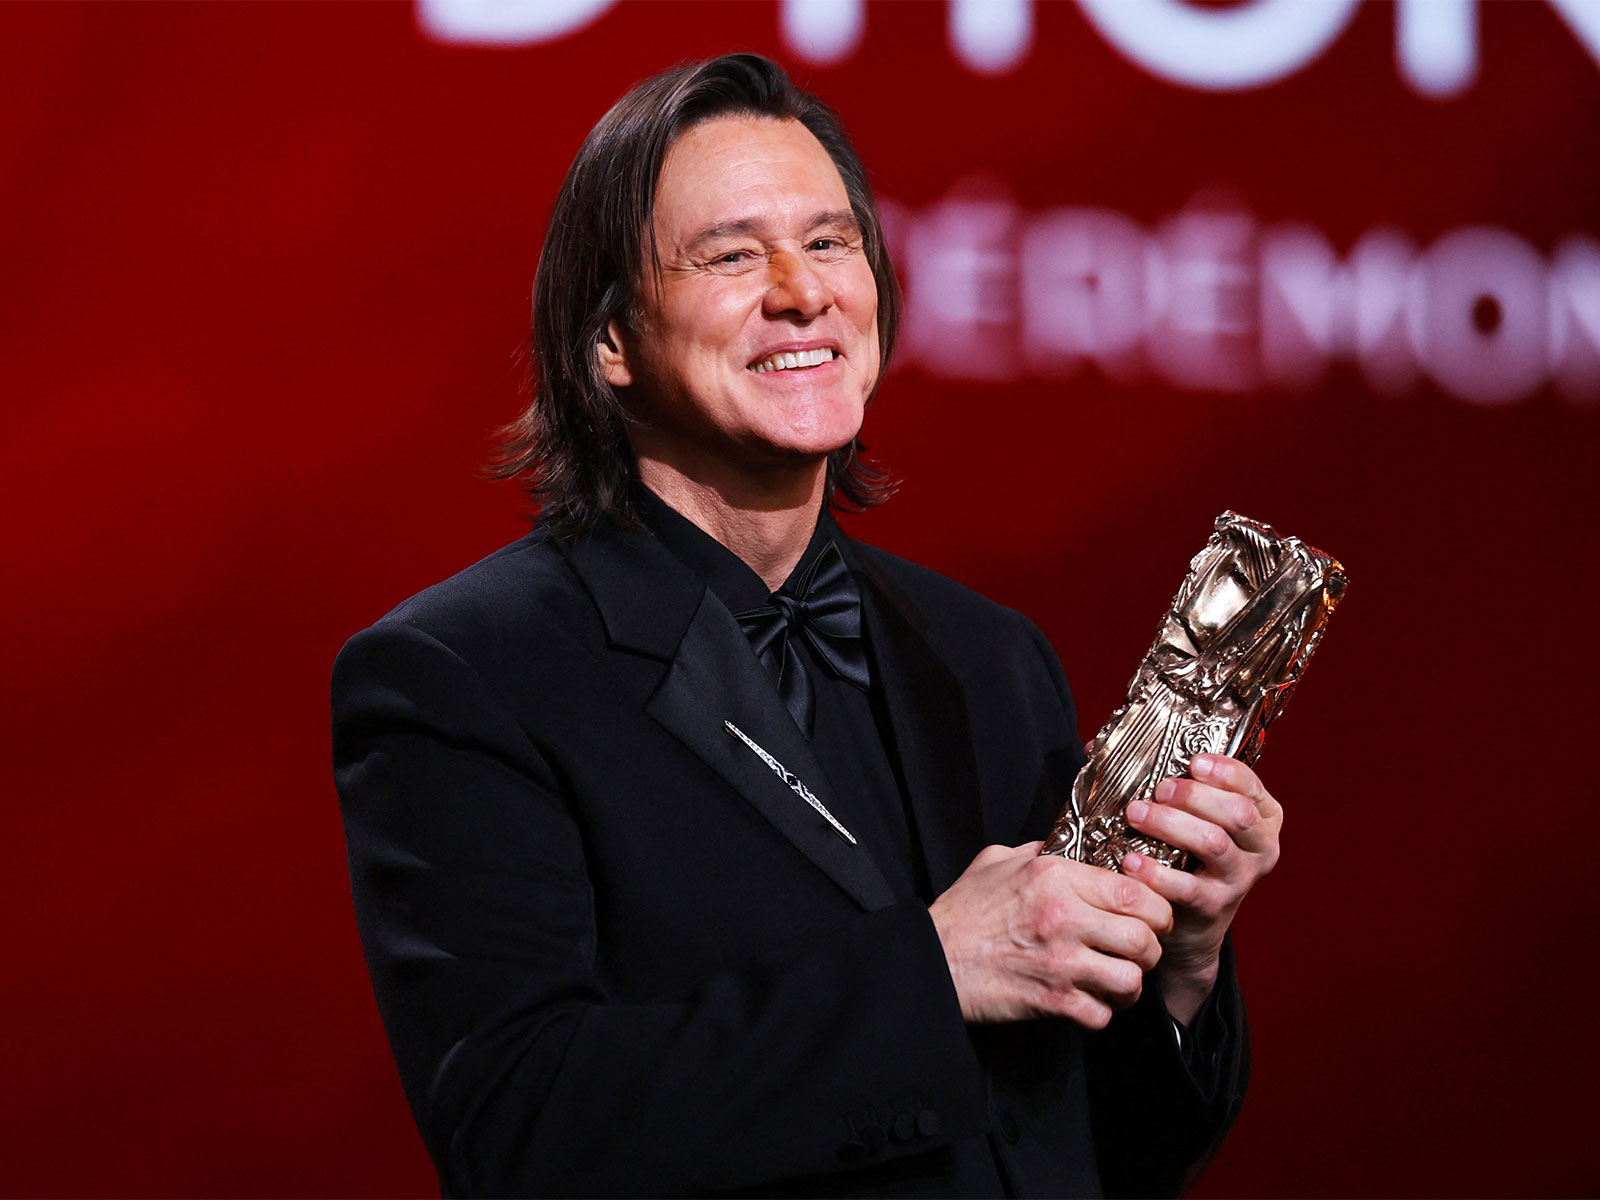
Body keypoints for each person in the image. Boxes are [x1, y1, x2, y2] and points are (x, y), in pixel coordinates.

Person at [332, 53, 1280, 1198]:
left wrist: (1180, 958)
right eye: (732, 254)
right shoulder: (463, 672)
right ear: (609, 342)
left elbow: (1096, 1146)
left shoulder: (989, 657)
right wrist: (931, 975)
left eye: (830, 243)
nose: (802, 289)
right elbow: (522, 1128)